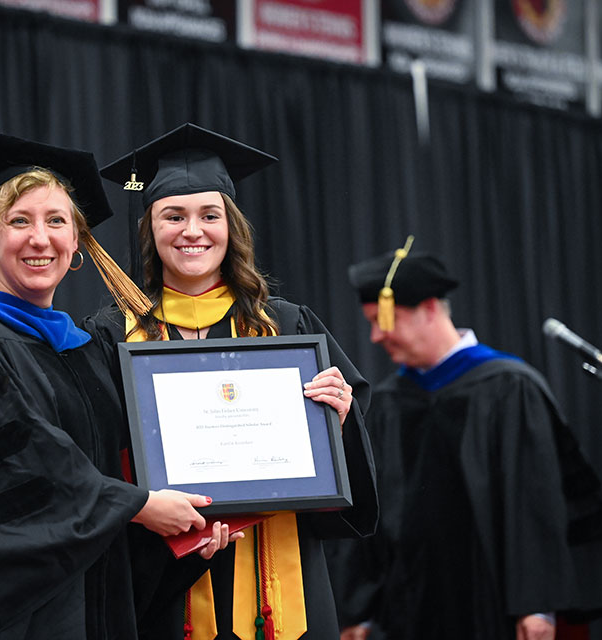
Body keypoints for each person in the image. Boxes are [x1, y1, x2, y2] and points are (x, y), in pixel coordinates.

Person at [0, 135, 229, 640]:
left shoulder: (87, 350)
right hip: (11, 618)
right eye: (19, 221)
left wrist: (178, 541)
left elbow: (113, 476)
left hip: (90, 606)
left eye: (57, 221)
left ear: (76, 243)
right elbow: (14, 467)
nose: (40, 238)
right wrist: (137, 506)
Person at [89, 123, 379, 640]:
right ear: (149, 228)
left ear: (232, 225)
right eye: (173, 215)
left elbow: (344, 478)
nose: (192, 230)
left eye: (209, 215)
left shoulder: (286, 326)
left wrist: (339, 418)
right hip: (163, 573)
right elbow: (96, 453)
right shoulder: (114, 334)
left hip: (279, 575)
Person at [329, 241, 602, 640]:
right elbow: (371, 511)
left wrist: (537, 605)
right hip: (408, 612)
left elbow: (535, 506)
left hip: (495, 608)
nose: (376, 336)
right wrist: (357, 611)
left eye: (384, 319)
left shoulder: (508, 386)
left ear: (429, 309)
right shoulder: (391, 402)